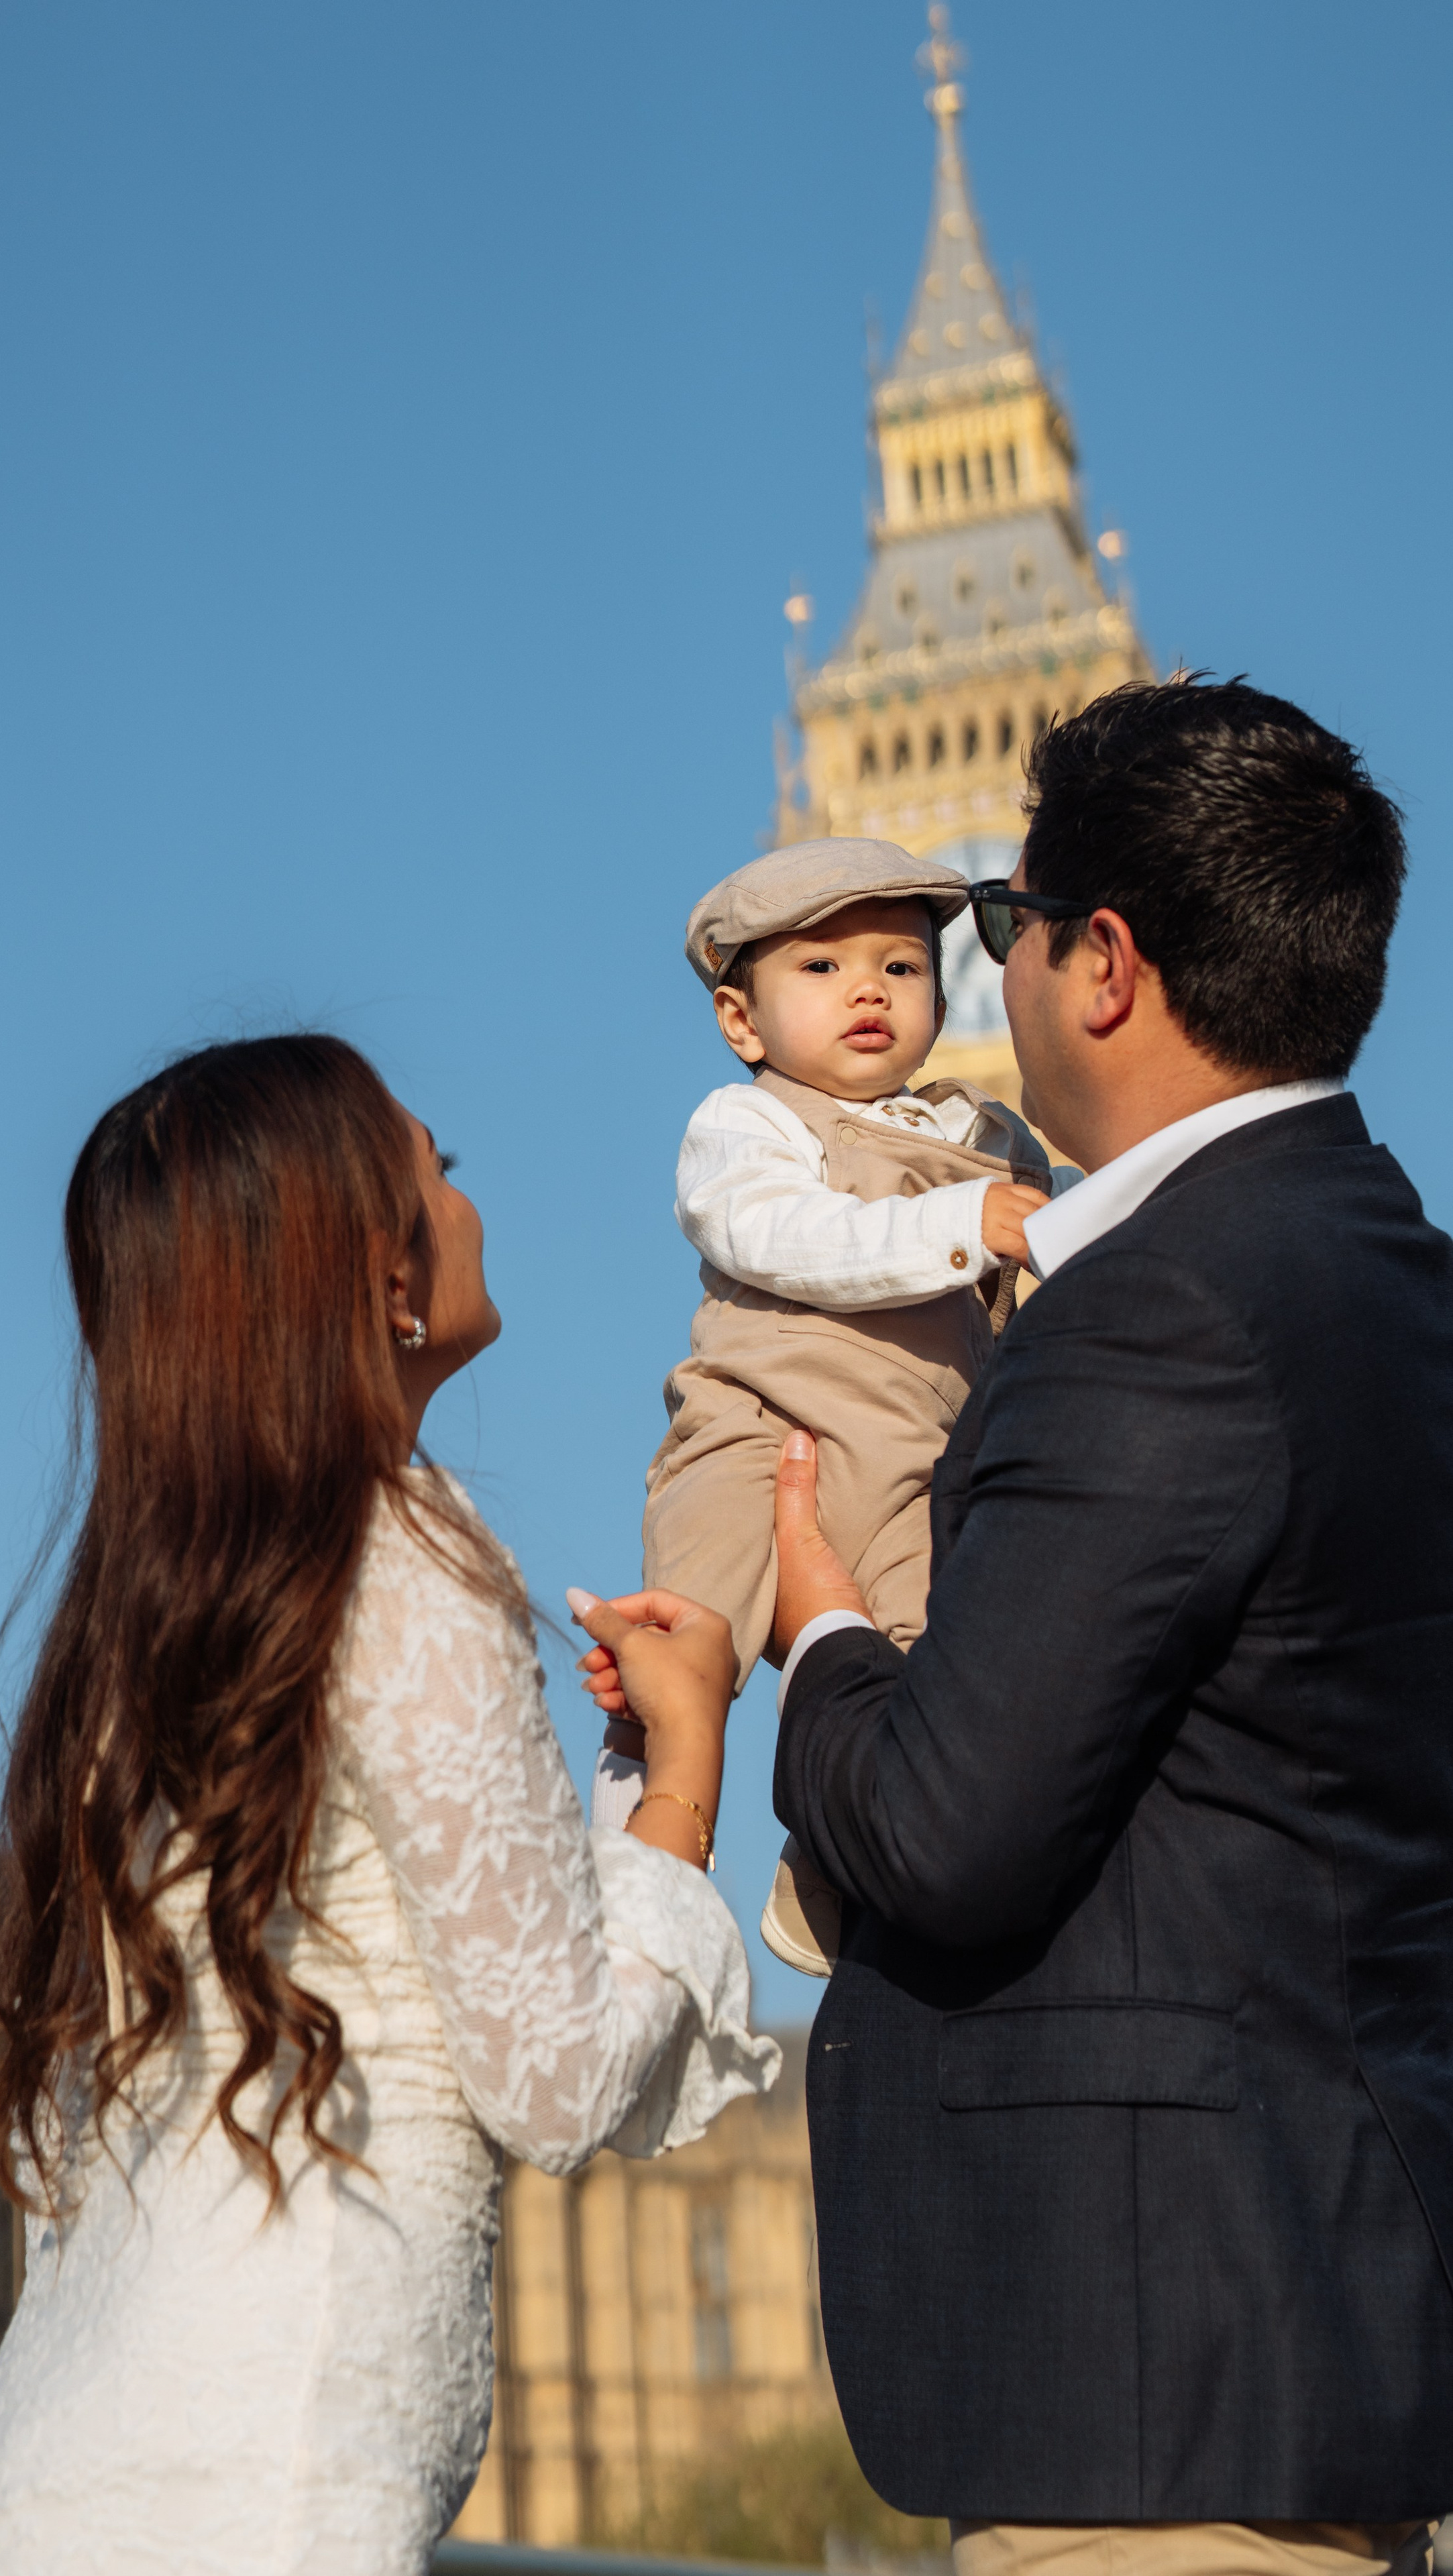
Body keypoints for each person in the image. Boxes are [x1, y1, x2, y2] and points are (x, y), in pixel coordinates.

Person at [580, 678, 1453, 2576]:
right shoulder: (1395, 1276)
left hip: (1159, 2411)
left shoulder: (1160, 1307)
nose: (973, 969)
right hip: (1326, 2353)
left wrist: (820, 1633)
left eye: (1000, 921)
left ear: (1103, 966)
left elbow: (944, 1826)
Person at [0, 1034, 777, 2576]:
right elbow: (560, 2080)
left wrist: (614, 1792)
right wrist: (687, 1772)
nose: (467, 1200)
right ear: (379, 1279)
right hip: (259, 2506)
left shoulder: (150, 1625)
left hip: (28, 2493)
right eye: (439, 1172)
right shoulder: (403, 1562)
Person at [621, 839, 1061, 1976]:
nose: (868, 990)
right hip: (763, 1421)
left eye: (901, 968)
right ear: (742, 1021)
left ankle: (827, 1860)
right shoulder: (750, 1124)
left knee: (933, 1677)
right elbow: (777, 1234)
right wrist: (965, 1225)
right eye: (821, 968)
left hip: (919, 1461)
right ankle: (628, 1856)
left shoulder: (991, 1140)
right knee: (691, 1633)